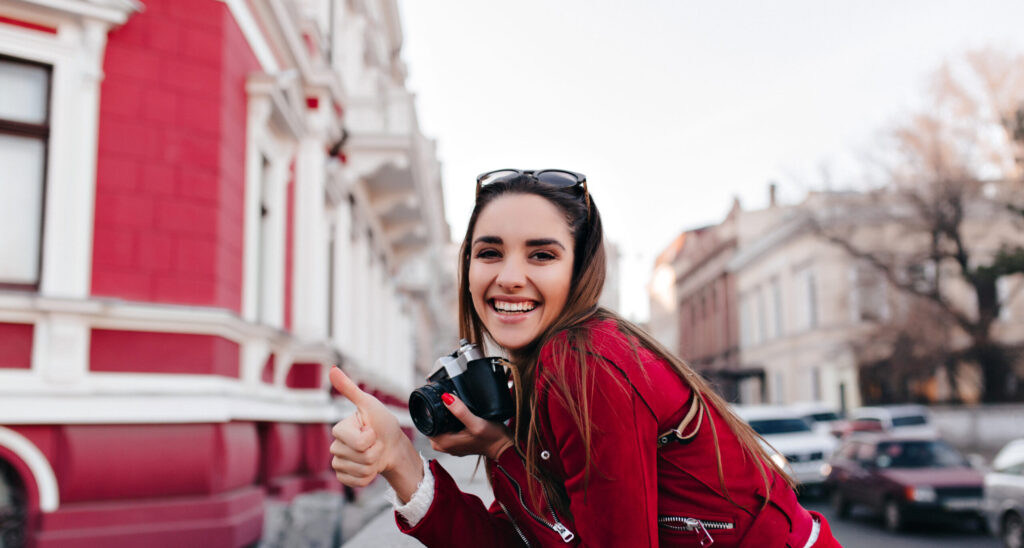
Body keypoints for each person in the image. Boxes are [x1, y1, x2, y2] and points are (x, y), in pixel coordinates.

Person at [328, 169, 842, 547]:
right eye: (489, 252)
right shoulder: (545, 370)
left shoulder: (585, 363)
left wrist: (505, 454)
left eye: (542, 254)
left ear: (580, 272)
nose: (508, 275)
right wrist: (398, 459)